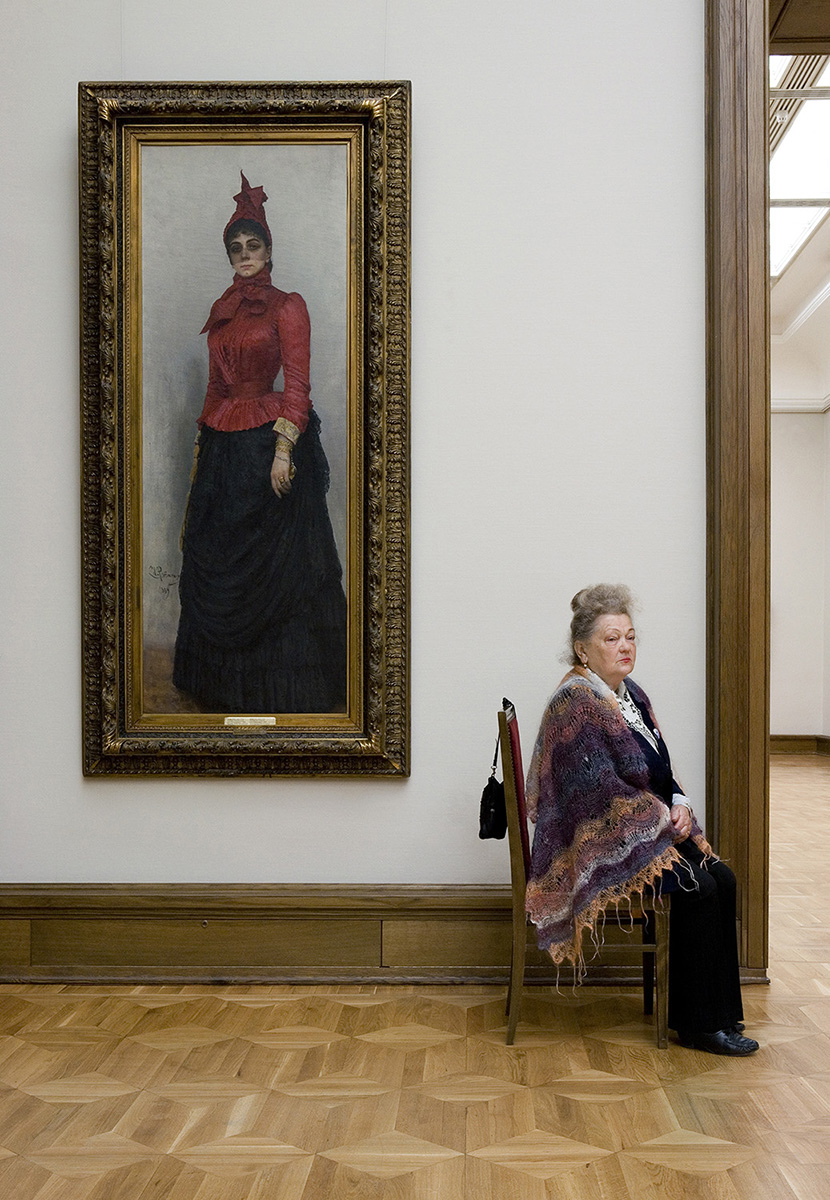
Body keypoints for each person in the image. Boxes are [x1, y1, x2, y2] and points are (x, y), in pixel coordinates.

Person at [525, 584, 758, 1056]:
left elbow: (663, 773)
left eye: (630, 636)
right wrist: (662, 820)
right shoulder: (575, 704)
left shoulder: (630, 695)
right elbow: (601, 801)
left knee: (724, 878)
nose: (625, 646)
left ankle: (720, 1015)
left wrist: (682, 806)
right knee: (700, 887)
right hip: (606, 847)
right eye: (611, 639)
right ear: (582, 649)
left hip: (648, 831)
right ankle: (695, 1025)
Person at [173, 173, 347, 713]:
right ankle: (224, 688)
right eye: (236, 249)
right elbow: (216, 387)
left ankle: (284, 690)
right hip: (226, 445)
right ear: (230, 255)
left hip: (269, 441)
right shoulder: (223, 310)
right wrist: (202, 453)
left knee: (283, 571)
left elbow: (297, 383)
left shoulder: (286, 305)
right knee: (214, 551)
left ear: (268, 250)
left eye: (253, 246)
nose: (245, 255)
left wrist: (283, 451)